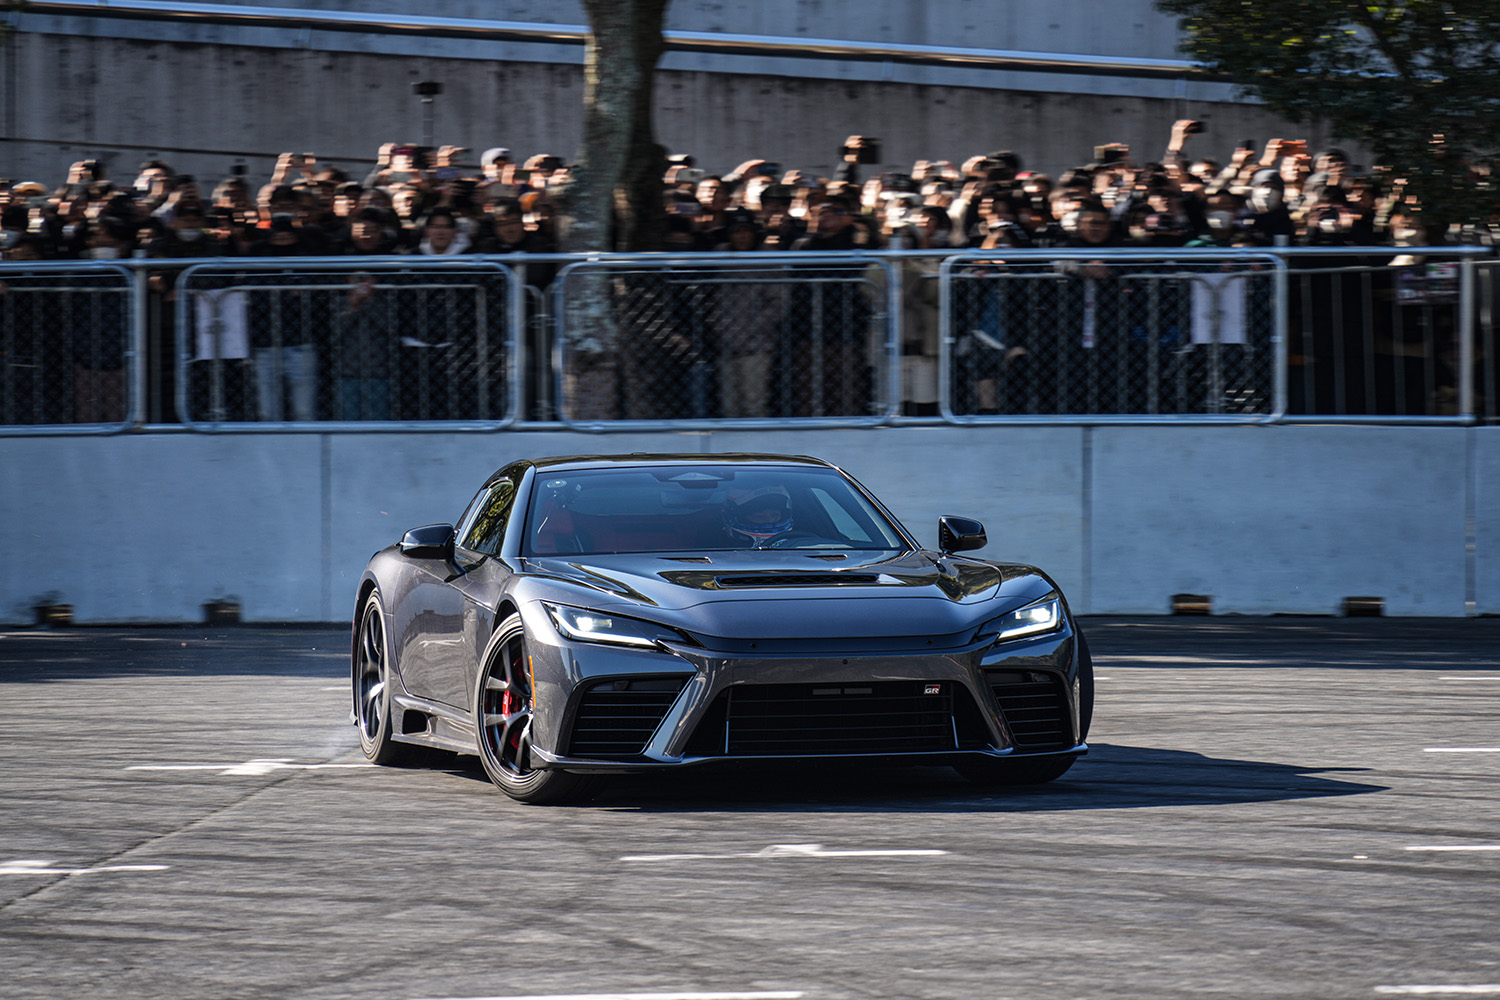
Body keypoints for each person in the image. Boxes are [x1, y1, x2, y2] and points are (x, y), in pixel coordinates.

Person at [723, 485, 794, 547]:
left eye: (775, 515)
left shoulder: (796, 545)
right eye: (759, 517)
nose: (770, 521)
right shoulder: (719, 551)